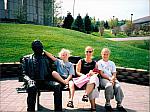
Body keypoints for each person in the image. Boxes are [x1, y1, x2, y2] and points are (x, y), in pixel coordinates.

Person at [21, 40, 62, 111]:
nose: (39, 48)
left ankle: (58, 110)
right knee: (32, 87)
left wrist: (46, 52)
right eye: (37, 47)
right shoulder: (26, 59)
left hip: (45, 81)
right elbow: (23, 74)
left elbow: (55, 59)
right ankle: (30, 110)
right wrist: (29, 80)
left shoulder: (46, 58)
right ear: (33, 48)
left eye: (40, 47)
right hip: (33, 82)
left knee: (57, 85)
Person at [76, 46, 99, 111]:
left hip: (92, 79)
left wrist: (92, 74)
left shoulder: (95, 63)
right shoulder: (81, 61)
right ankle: (93, 107)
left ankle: (85, 95)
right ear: (85, 52)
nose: (88, 53)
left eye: (90, 51)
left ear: (92, 52)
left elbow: (97, 73)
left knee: (93, 80)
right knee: (92, 85)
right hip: (83, 79)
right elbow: (77, 72)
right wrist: (85, 76)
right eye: (87, 51)